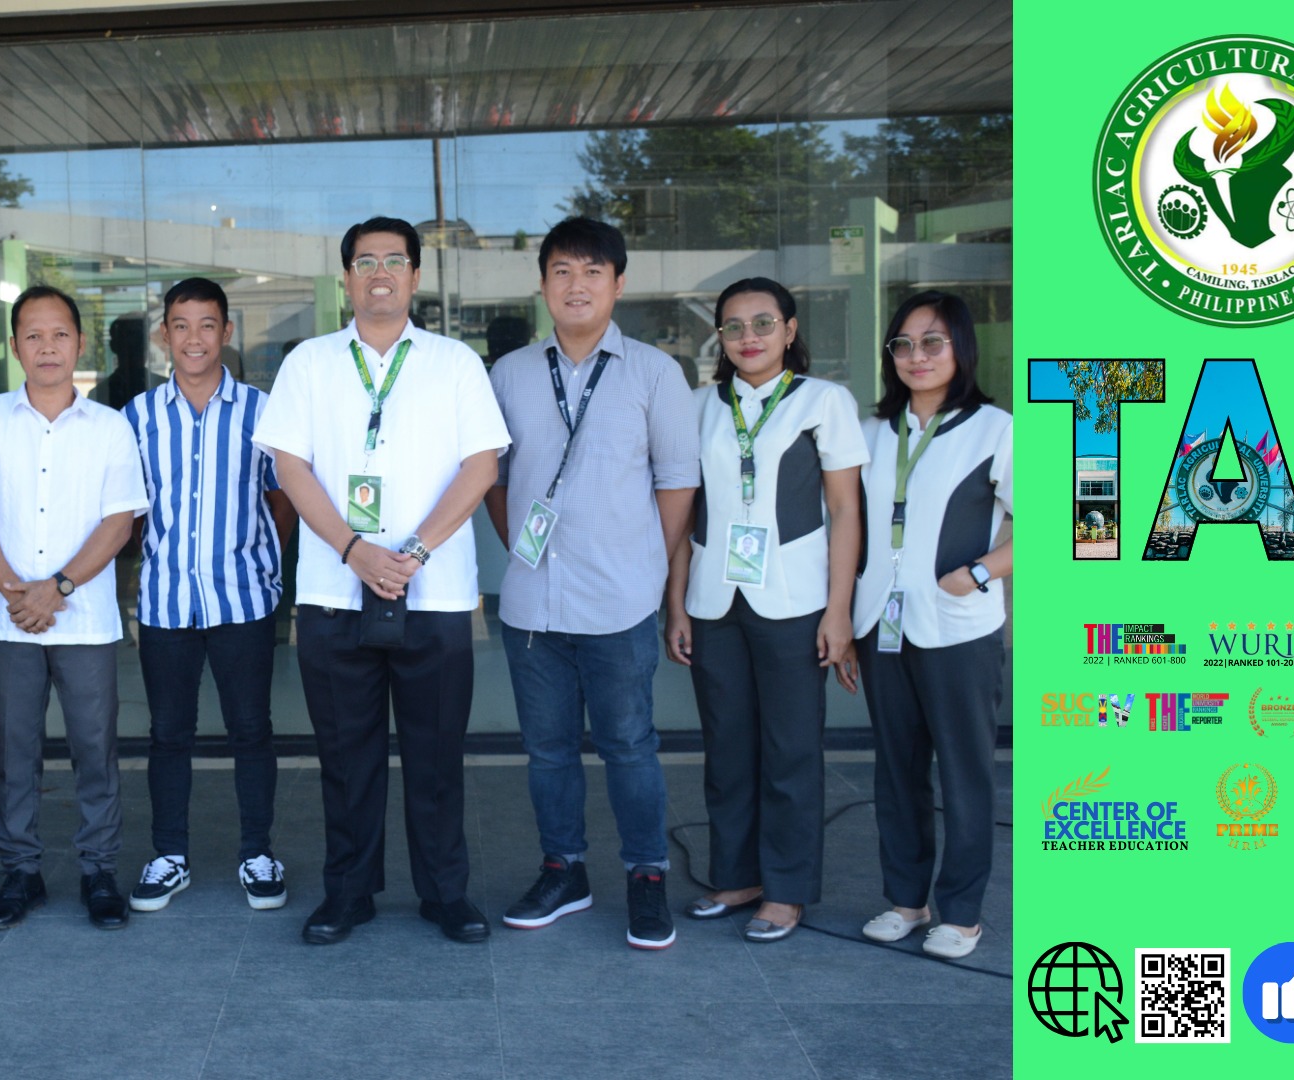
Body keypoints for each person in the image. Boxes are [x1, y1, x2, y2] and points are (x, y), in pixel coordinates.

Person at [254, 216, 509, 945]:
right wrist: (352, 549)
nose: (380, 273)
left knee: (435, 759)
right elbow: (289, 466)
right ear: (346, 278)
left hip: (434, 593)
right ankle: (349, 891)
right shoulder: (309, 361)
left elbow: (481, 466)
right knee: (346, 757)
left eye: (395, 261)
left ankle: (445, 893)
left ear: (416, 277)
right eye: (364, 261)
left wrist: (414, 552)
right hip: (335, 595)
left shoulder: (455, 362)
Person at [483, 217, 698, 950]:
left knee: (629, 745)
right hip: (532, 606)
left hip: (621, 600)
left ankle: (646, 876)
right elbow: (495, 479)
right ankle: (563, 869)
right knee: (547, 752)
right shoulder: (509, 373)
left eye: (592, 272)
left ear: (618, 284)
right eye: (562, 272)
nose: (577, 286)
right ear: (543, 283)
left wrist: (646, 562)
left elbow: (676, 482)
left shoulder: (654, 372)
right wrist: (521, 547)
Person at [663, 278, 866, 943]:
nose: (748, 338)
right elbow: (685, 511)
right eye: (733, 327)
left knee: (790, 749)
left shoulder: (823, 401)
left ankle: (785, 889)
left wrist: (839, 612)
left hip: (796, 600)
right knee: (726, 747)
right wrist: (677, 605)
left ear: (789, 328)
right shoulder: (698, 405)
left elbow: (844, 511)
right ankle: (737, 875)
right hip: (714, 599)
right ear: (718, 338)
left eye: (761, 323)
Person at [0, 285, 149, 931]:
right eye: (32, 336)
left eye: (59, 334)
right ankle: (21, 872)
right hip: (8, 619)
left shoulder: (111, 427)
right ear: (13, 346)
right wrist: (18, 591)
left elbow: (119, 522)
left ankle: (99, 870)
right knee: (15, 751)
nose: (46, 347)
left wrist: (56, 588)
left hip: (84, 620)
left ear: (80, 344)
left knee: (96, 749)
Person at [123, 277, 296, 915]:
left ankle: (258, 853)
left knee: (252, 730)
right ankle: (169, 855)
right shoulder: (137, 418)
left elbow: (284, 502)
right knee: (168, 733)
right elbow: (130, 514)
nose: (193, 338)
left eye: (206, 325)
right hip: (167, 603)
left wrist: (263, 568)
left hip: (243, 602)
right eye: (180, 324)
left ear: (226, 332)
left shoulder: (262, 412)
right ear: (164, 334)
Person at [850, 290, 1012, 960]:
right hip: (880, 624)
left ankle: (962, 912)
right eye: (903, 344)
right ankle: (906, 901)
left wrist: (978, 573)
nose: (916, 356)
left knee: (965, 773)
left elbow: (1068, 524)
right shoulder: (869, 433)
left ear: (960, 349)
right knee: (896, 770)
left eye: (932, 342)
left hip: (957, 627)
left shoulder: (995, 428)